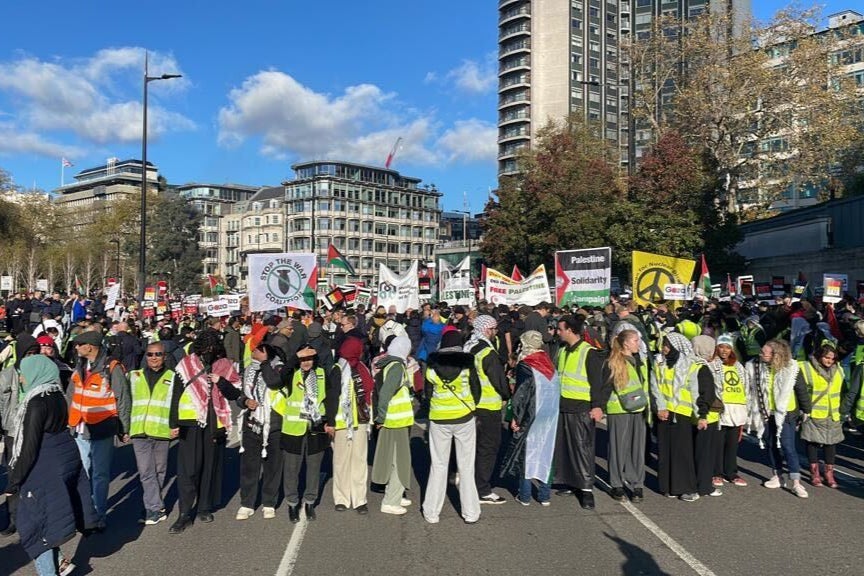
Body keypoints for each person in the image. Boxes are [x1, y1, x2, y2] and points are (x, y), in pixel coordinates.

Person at [5, 355, 97, 576]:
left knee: (35, 530)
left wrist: (13, 482)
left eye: (23, 374)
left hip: (43, 470)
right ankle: (61, 562)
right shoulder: (56, 394)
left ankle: (50, 572)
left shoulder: (36, 402)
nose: (21, 379)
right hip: (61, 461)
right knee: (49, 520)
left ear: (35, 372)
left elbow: (29, 447)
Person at [169, 329, 242, 533]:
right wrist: (173, 423)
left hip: (214, 423)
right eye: (206, 348)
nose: (210, 352)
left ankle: (204, 507)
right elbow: (175, 394)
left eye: (213, 348)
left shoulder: (224, 365)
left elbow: (235, 392)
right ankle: (184, 512)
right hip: (190, 422)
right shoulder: (186, 365)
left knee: (210, 467)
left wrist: (221, 381)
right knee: (188, 469)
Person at [68, 329, 131, 528]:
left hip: (102, 428)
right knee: (83, 472)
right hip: (79, 427)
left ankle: (98, 515)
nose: (76, 347)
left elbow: (123, 398)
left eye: (79, 344)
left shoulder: (112, 368)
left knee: (100, 474)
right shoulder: (79, 366)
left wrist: (124, 428)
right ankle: (85, 512)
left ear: (90, 346)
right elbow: (71, 394)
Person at [422, 329, 481, 524]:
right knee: (466, 466)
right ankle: (471, 512)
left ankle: (431, 511)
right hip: (464, 417)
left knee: (438, 465)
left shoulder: (431, 368)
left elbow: (427, 394)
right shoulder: (467, 366)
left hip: (439, 418)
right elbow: (476, 389)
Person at [745, 339, 811, 498]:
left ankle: (796, 482)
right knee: (771, 443)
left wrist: (806, 409)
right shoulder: (754, 366)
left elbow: (801, 388)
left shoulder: (791, 367)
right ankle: (777, 475)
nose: (760, 354)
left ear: (776, 356)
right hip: (766, 411)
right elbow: (749, 387)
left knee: (788, 446)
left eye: (764, 353)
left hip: (786, 412)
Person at [650, 332, 711, 502]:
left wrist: (701, 416)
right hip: (664, 413)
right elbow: (655, 385)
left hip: (682, 414)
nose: (664, 349)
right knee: (665, 452)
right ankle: (667, 486)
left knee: (682, 454)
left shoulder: (690, 364)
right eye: (663, 345)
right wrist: (660, 407)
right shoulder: (659, 362)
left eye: (667, 346)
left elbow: (694, 391)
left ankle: (685, 488)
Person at [502, 331, 560, 507]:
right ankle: (544, 495)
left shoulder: (526, 365)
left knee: (527, 452)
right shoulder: (550, 364)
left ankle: (525, 495)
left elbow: (521, 394)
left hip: (531, 413)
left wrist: (516, 418)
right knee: (546, 451)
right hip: (550, 413)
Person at [553, 314, 604, 509]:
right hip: (563, 405)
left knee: (583, 448)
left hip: (581, 407)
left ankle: (586, 489)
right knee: (565, 447)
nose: (557, 332)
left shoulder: (588, 352)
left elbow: (596, 382)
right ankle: (570, 481)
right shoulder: (563, 350)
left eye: (560, 329)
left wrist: (597, 406)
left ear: (570, 330)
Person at [281, 345, 335, 522]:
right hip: (293, 428)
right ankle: (292, 504)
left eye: (310, 358)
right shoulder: (291, 374)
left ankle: (310, 502)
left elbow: (330, 397)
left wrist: (330, 422)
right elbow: (282, 374)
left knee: (313, 468)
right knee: (291, 469)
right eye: (303, 359)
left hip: (316, 427)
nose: (306, 362)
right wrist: (296, 356)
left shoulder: (321, 373)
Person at [129, 341, 180, 526]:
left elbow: (176, 403)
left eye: (158, 354)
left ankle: (152, 504)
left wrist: (175, 425)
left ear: (164, 356)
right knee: (146, 472)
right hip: (139, 431)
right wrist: (124, 427)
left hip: (161, 430)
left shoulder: (173, 377)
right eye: (150, 354)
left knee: (159, 471)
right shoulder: (134, 376)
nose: (153, 358)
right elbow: (127, 402)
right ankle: (154, 508)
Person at [235, 343, 286, 520]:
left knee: (273, 465)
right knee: (249, 466)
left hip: (273, 423)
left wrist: (265, 364)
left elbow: (274, 383)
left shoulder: (278, 368)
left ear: (265, 354)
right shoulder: (248, 370)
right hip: (252, 423)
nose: (253, 351)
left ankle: (269, 502)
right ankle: (247, 502)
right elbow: (239, 395)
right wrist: (244, 402)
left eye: (257, 350)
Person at [598, 329, 649, 503]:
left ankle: (637, 485)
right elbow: (604, 387)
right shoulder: (613, 361)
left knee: (637, 449)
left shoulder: (640, 360)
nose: (638, 343)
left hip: (639, 408)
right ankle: (617, 483)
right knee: (618, 448)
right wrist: (599, 407)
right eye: (635, 340)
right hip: (619, 408)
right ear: (626, 343)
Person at [465, 314, 510, 504]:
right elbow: (498, 379)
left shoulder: (470, 346)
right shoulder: (487, 353)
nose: (495, 333)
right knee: (488, 448)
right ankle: (482, 489)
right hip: (489, 405)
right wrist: (507, 394)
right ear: (486, 330)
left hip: (473, 404)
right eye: (493, 330)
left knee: (474, 447)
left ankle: (471, 482)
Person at [0, 334, 41, 537]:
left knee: (35, 473)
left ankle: (35, 516)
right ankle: (14, 518)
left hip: (34, 430)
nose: (31, 357)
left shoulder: (42, 372)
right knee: (13, 476)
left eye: (35, 353)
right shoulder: (8, 374)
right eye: (28, 353)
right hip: (12, 431)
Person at [328, 334, 373, 514]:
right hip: (341, 423)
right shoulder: (338, 369)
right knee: (341, 461)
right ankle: (342, 497)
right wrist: (330, 422)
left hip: (360, 421)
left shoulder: (362, 368)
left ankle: (359, 498)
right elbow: (331, 397)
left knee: (359, 460)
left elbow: (370, 393)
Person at [371, 334, 415, 515]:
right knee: (400, 462)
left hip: (394, 420)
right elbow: (386, 394)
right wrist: (381, 418)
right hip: (395, 420)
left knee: (394, 461)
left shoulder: (389, 364)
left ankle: (394, 495)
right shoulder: (397, 366)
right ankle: (391, 500)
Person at [799, 343, 844, 488]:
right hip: (814, 412)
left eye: (832, 358)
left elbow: (843, 391)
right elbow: (801, 390)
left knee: (831, 444)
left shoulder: (839, 370)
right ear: (819, 356)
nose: (829, 361)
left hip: (833, 413)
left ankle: (829, 473)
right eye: (826, 357)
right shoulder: (807, 368)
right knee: (812, 442)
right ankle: (815, 473)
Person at [712, 334, 749, 487]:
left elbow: (745, 385)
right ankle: (717, 472)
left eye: (728, 347)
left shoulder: (738, 366)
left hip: (737, 409)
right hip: (721, 409)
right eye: (721, 347)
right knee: (718, 443)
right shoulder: (713, 363)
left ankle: (731, 472)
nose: (724, 350)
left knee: (732, 444)